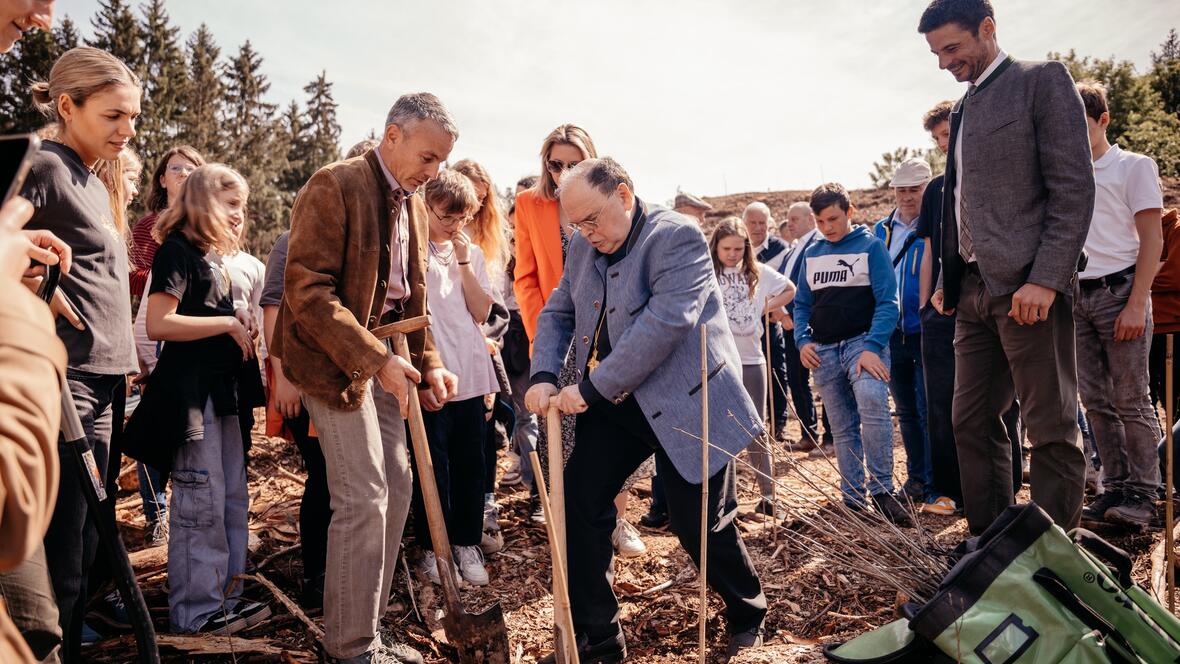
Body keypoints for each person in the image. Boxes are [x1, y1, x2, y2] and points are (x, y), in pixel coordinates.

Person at [525, 158, 767, 662]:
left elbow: (663, 326)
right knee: (580, 503)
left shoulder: (676, 237)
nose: (587, 234)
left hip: (688, 399)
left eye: (593, 220)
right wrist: (544, 373)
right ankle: (599, 638)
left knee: (698, 523)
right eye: (577, 225)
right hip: (620, 403)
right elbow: (560, 310)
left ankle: (748, 613)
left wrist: (590, 389)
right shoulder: (585, 247)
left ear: (623, 194)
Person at [272, 92, 459, 664]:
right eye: (428, 157)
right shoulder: (335, 184)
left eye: (442, 160)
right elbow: (307, 291)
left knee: (397, 488)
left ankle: (367, 628)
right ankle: (350, 647)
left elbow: (412, 298)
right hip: (334, 364)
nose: (434, 171)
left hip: (386, 360)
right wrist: (376, 359)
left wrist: (429, 363)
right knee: (364, 495)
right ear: (392, 135)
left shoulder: (412, 203)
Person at [922, 0, 1094, 535]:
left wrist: (1046, 278)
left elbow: (1073, 188)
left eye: (952, 48)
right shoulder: (960, 108)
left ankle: (1051, 558)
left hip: (1029, 289)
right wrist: (949, 278)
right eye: (936, 53)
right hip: (972, 292)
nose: (944, 62)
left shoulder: (1042, 81)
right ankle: (994, 547)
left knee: (1050, 428)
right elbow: (960, 202)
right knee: (970, 422)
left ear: (988, 28)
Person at [15, 46, 141, 663]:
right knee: (63, 545)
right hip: (68, 380)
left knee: (92, 538)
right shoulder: (42, 165)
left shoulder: (94, 180)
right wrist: (30, 283)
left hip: (108, 380)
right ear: (67, 106)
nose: (127, 130)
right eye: (113, 116)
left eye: (133, 117)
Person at [129, 164, 270, 635]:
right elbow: (159, 323)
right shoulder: (177, 251)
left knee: (230, 496)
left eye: (243, 206)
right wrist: (226, 322)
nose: (239, 214)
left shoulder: (215, 259)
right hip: (193, 401)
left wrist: (238, 314)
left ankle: (228, 596)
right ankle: (196, 611)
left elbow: (208, 313)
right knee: (200, 501)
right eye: (231, 204)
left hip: (224, 397)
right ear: (202, 201)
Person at [513, 124, 647, 556]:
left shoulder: (609, 202)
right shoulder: (529, 204)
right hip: (556, 335)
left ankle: (617, 521)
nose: (563, 172)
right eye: (556, 164)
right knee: (562, 434)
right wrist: (543, 342)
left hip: (604, 330)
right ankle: (567, 520)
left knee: (610, 424)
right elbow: (525, 277)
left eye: (574, 163)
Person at [1070, 81, 1163, 528]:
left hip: (1120, 291)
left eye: (1082, 124)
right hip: (1076, 296)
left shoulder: (1134, 166)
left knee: (1132, 399)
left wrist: (1136, 302)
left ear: (1103, 120)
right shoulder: (1066, 173)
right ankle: (1116, 485)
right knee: (1095, 401)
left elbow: (1153, 240)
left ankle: (1145, 494)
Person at [794, 183, 908, 524]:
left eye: (833, 219)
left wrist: (872, 346)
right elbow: (802, 304)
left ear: (850, 212)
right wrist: (802, 341)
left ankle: (883, 491)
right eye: (820, 221)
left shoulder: (871, 246)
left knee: (873, 404)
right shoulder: (812, 253)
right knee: (842, 427)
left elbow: (888, 302)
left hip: (863, 344)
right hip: (824, 351)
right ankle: (853, 498)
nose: (827, 227)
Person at [408, 169, 498, 587]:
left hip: (470, 368)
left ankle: (466, 543)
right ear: (425, 207)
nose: (455, 225)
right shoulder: (410, 251)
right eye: (446, 216)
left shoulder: (471, 253)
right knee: (433, 464)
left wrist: (463, 261)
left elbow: (481, 311)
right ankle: (433, 547)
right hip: (432, 369)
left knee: (471, 462)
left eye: (463, 218)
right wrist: (421, 377)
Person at [260, 229, 331, 609]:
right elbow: (273, 309)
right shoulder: (290, 242)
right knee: (323, 474)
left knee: (343, 479)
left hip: (340, 376)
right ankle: (316, 575)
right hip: (300, 376)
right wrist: (283, 378)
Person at [709, 218, 795, 516]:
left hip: (751, 360)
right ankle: (725, 499)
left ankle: (769, 495)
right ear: (716, 247)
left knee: (755, 428)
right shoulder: (708, 273)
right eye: (726, 249)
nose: (732, 254)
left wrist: (764, 307)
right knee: (721, 429)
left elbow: (790, 289)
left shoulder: (757, 272)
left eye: (738, 248)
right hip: (719, 361)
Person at [872, 158, 932, 505]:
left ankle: (936, 479)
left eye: (914, 190)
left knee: (928, 409)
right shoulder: (880, 231)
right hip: (891, 333)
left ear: (927, 188)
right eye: (901, 190)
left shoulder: (936, 225)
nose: (907, 197)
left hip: (924, 330)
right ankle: (917, 478)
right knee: (906, 412)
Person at [914, 100, 962, 516]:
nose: (943, 144)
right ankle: (947, 492)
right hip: (939, 312)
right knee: (940, 404)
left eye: (947, 134)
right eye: (938, 138)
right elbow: (929, 249)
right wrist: (924, 306)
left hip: (982, 306)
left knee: (997, 406)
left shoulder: (988, 179)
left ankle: (998, 493)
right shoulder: (935, 189)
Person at [779, 202, 830, 453]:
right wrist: (780, 313)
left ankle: (831, 438)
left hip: (812, 325)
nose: (789, 224)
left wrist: (789, 314)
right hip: (790, 325)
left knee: (825, 381)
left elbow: (812, 286)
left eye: (795, 219)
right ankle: (808, 434)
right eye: (788, 219)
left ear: (811, 218)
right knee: (797, 381)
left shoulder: (819, 245)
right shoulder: (793, 249)